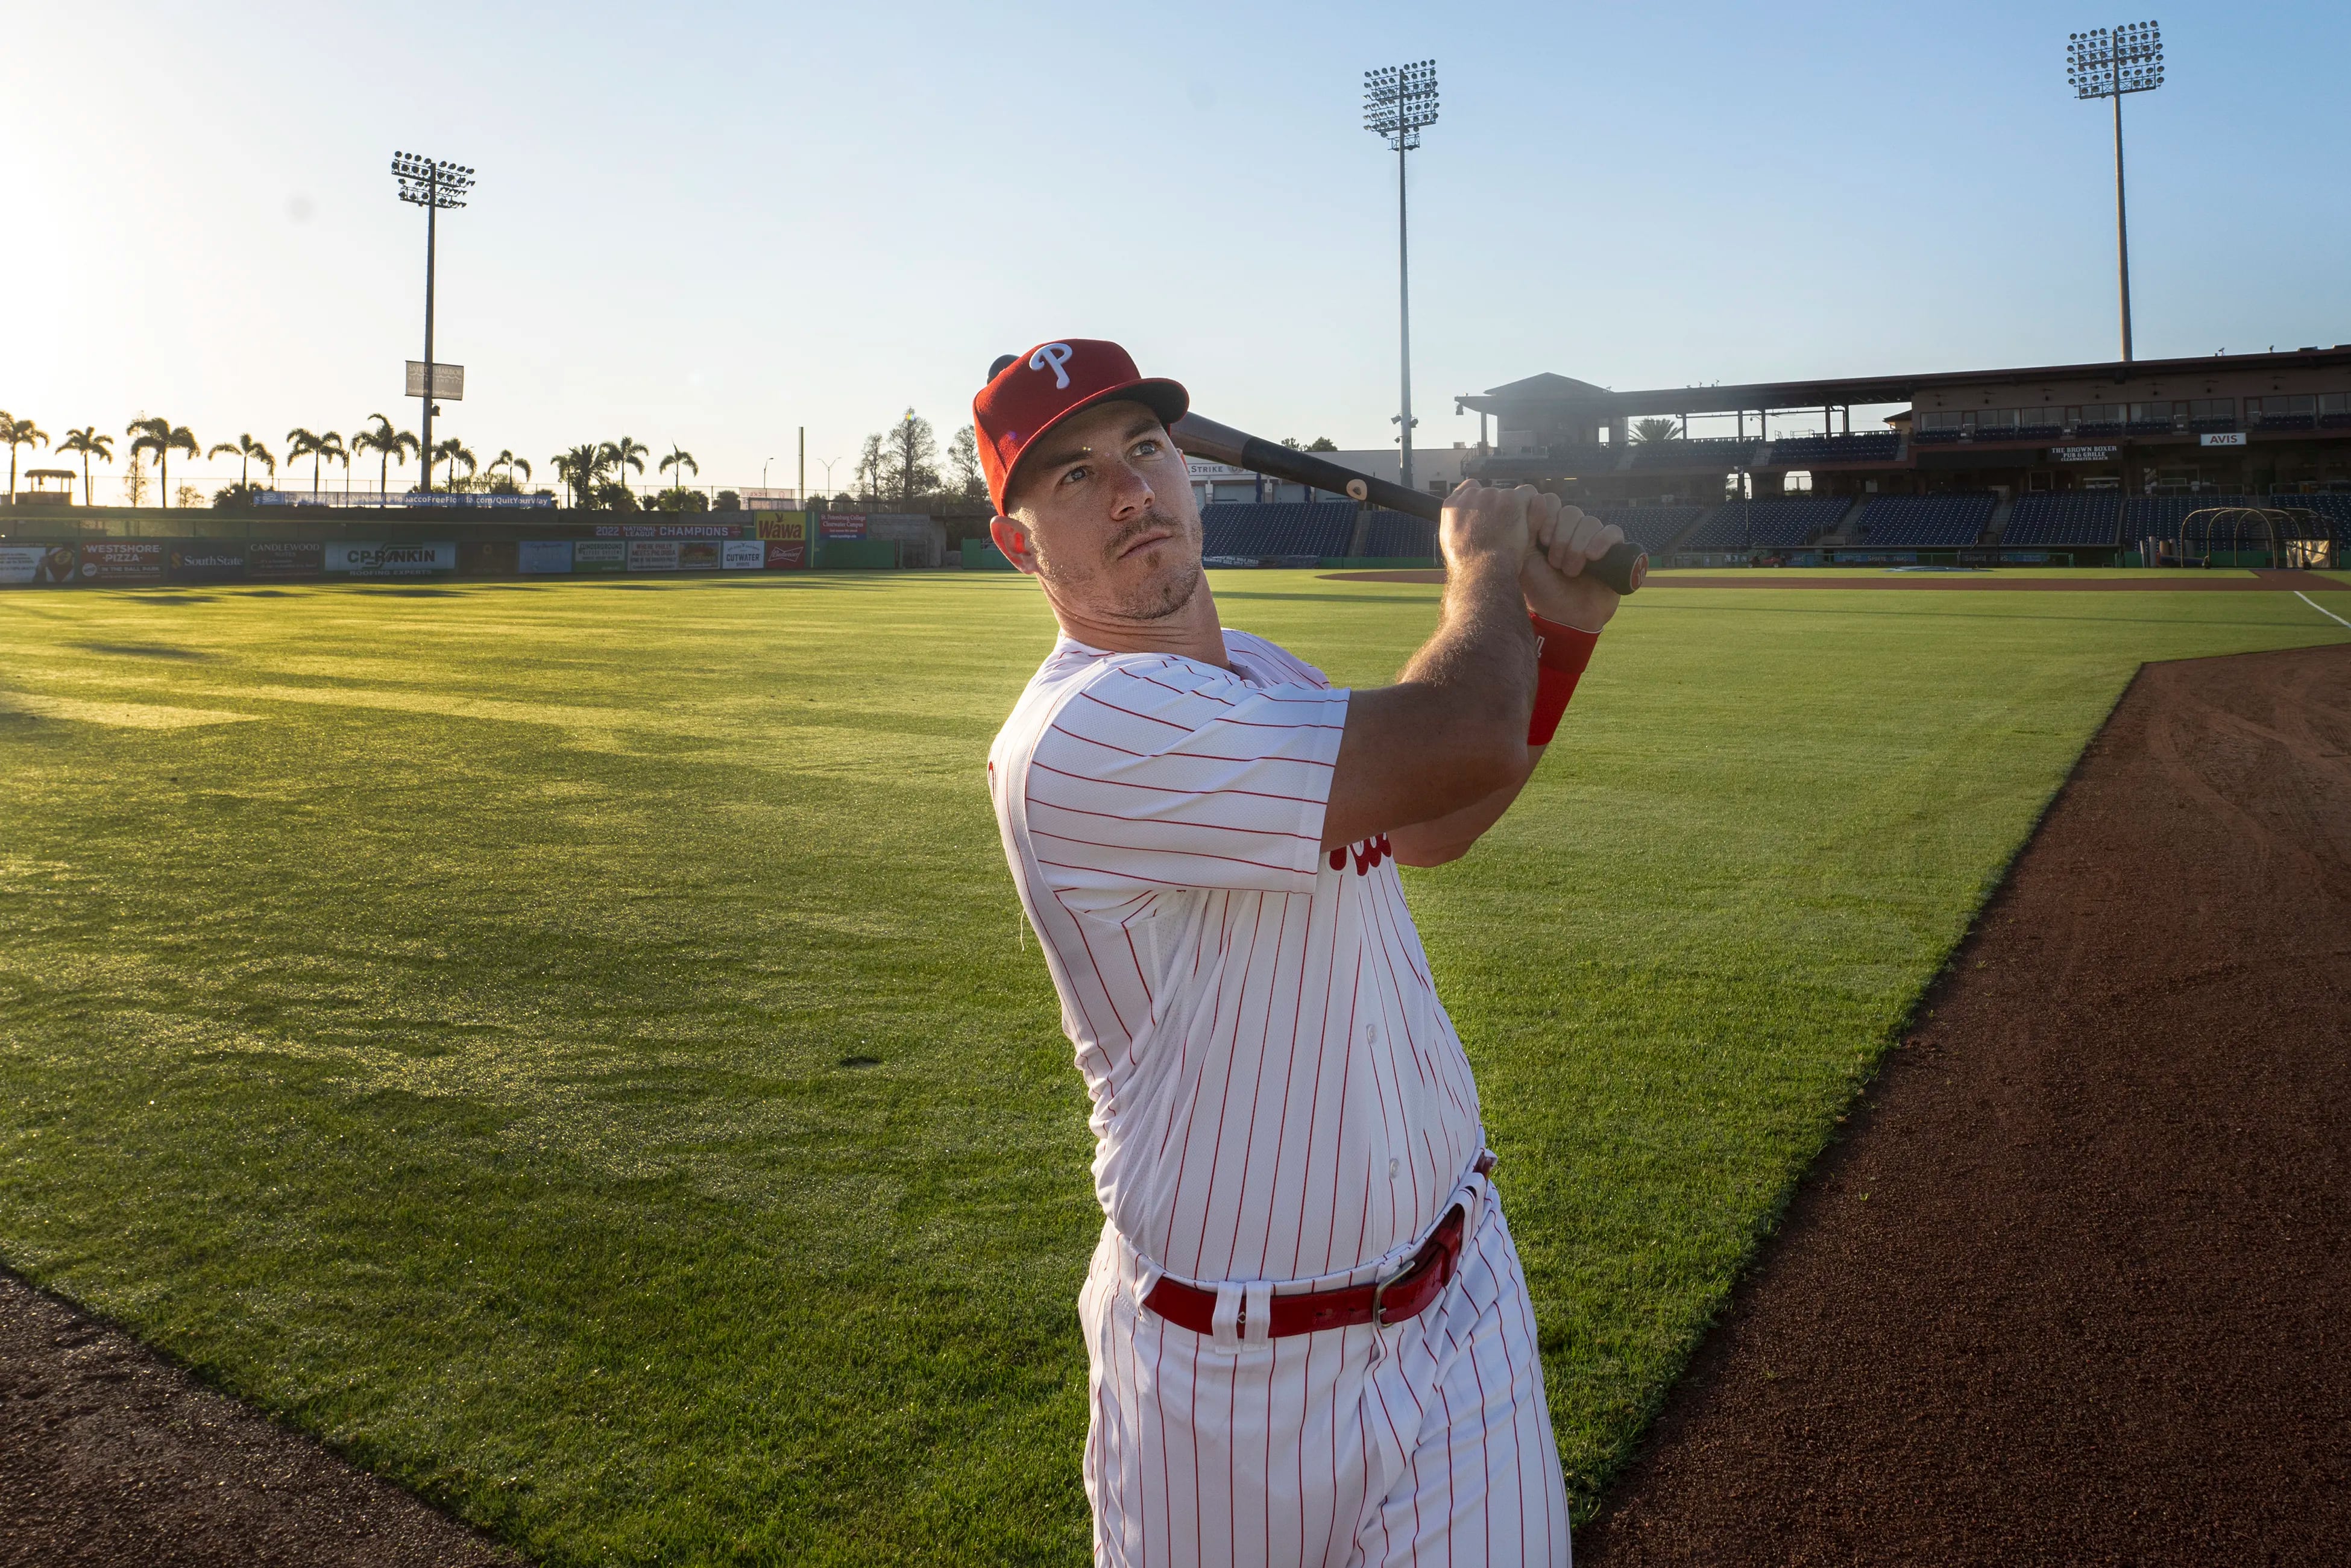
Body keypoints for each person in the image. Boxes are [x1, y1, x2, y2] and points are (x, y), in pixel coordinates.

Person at [977, 340, 1623, 1567]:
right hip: (1231, 1395)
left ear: (1188, 474)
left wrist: (1564, 630)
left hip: (1460, 1296)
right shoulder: (1077, 736)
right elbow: (1467, 727)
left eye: (1146, 450)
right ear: (1022, 545)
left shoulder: (1263, 674)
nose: (1128, 492)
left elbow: (1434, 814)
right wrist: (1486, 570)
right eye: (1071, 477)